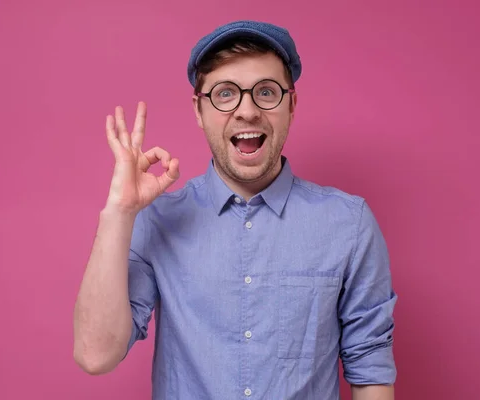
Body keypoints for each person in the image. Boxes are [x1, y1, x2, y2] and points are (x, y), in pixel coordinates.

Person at [73, 20, 398, 400]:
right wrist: (119, 212)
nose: (247, 111)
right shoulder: (158, 219)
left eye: (266, 91)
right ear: (199, 110)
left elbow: (370, 369)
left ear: (291, 104)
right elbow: (95, 355)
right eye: (226, 94)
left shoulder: (349, 223)